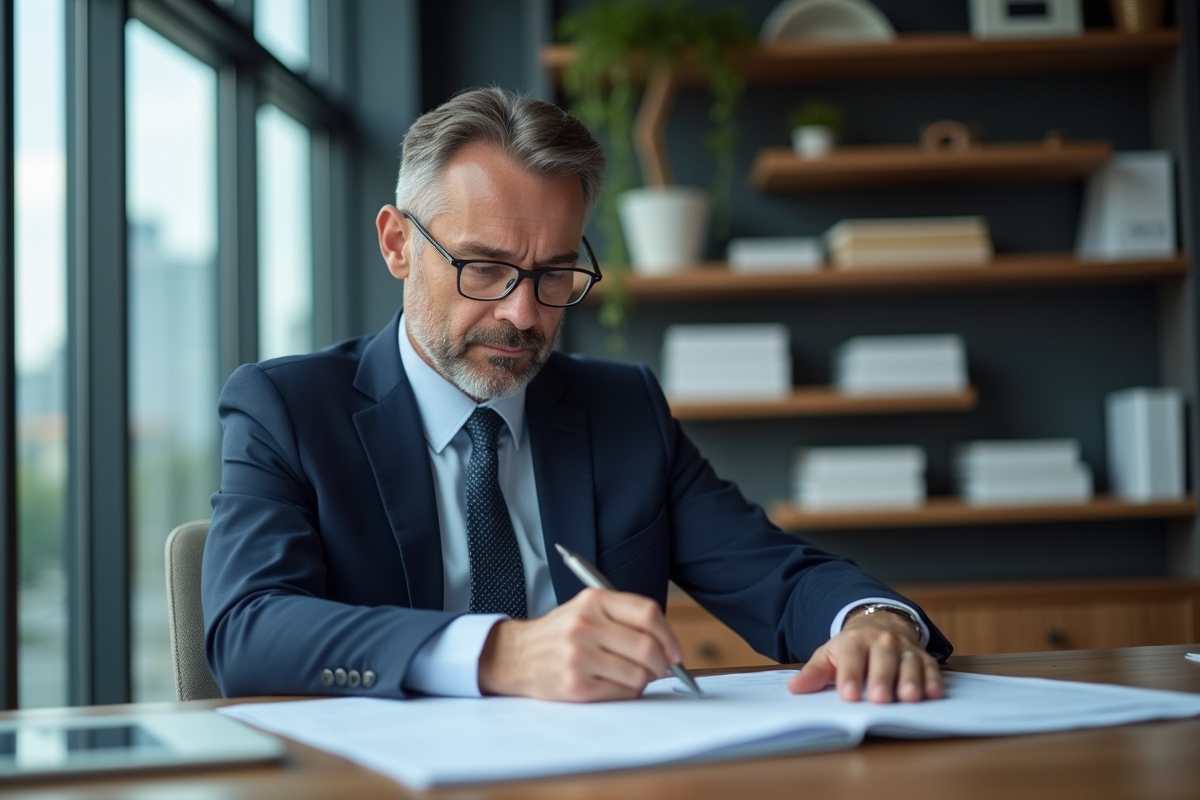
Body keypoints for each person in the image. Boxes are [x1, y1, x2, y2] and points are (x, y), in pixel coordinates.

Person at [203, 87, 952, 705]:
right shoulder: (287, 409)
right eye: (486, 269)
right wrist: (500, 654)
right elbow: (249, 630)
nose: (523, 315)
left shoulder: (622, 409)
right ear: (398, 243)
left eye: (554, 274)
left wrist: (876, 622)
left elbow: (773, 573)